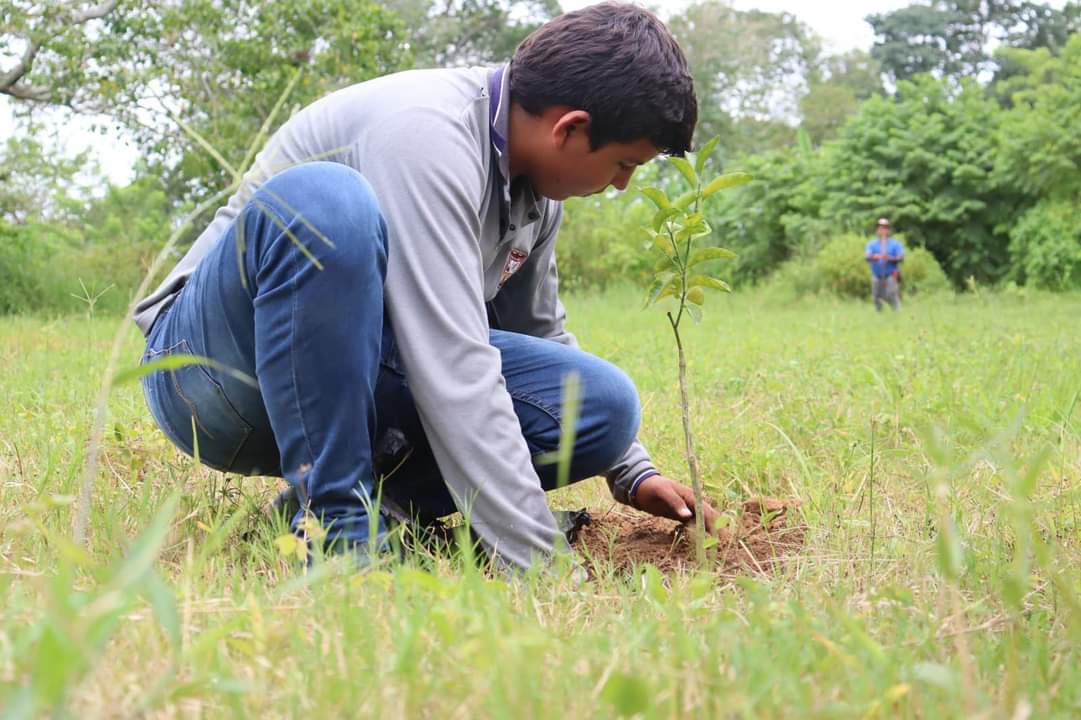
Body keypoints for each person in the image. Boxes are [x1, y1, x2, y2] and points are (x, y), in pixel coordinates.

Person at [133, 2, 719, 572]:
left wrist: (631, 470)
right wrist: (540, 561)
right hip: (214, 372)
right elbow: (454, 365)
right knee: (329, 204)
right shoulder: (426, 134)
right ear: (570, 128)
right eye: (623, 164)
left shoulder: (534, 196)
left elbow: (537, 334)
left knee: (600, 405)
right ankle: (339, 530)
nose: (620, 185)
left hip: (352, 372)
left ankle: (367, 507)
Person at [865, 217, 904, 311]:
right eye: (880, 227)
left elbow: (901, 257)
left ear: (888, 230)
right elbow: (867, 256)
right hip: (877, 274)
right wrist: (876, 256)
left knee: (890, 294)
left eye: (885, 227)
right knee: (876, 297)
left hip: (891, 274)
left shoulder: (895, 244)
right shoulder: (872, 244)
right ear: (877, 229)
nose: (882, 230)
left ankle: (897, 312)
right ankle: (879, 315)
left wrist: (890, 258)